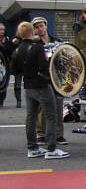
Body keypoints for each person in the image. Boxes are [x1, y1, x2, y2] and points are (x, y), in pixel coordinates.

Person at [11, 22, 69, 159]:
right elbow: (44, 68)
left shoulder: (17, 50)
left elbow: (14, 70)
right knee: (51, 115)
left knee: (31, 117)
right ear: (33, 33)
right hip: (41, 85)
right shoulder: (37, 48)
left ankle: (32, 148)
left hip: (28, 86)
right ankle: (51, 148)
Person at [31, 17, 68, 146]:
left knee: (58, 106)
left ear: (46, 26)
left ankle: (58, 134)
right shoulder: (34, 43)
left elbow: (64, 57)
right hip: (42, 79)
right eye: (36, 27)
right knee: (42, 108)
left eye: (41, 26)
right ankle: (41, 133)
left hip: (56, 78)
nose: (40, 29)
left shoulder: (56, 41)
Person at [0, 23, 12, 107]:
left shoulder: (7, 39)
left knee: (4, 81)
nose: (2, 31)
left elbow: (9, 51)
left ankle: (1, 100)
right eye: (0, 29)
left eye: (3, 29)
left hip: (4, 64)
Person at [11, 29, 23, 108]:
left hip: (28, 64)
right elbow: (11, 52)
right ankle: (18, 100)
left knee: (32, 84)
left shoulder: (29, 40)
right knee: (17, 85)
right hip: (18, 65)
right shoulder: (15, 41)